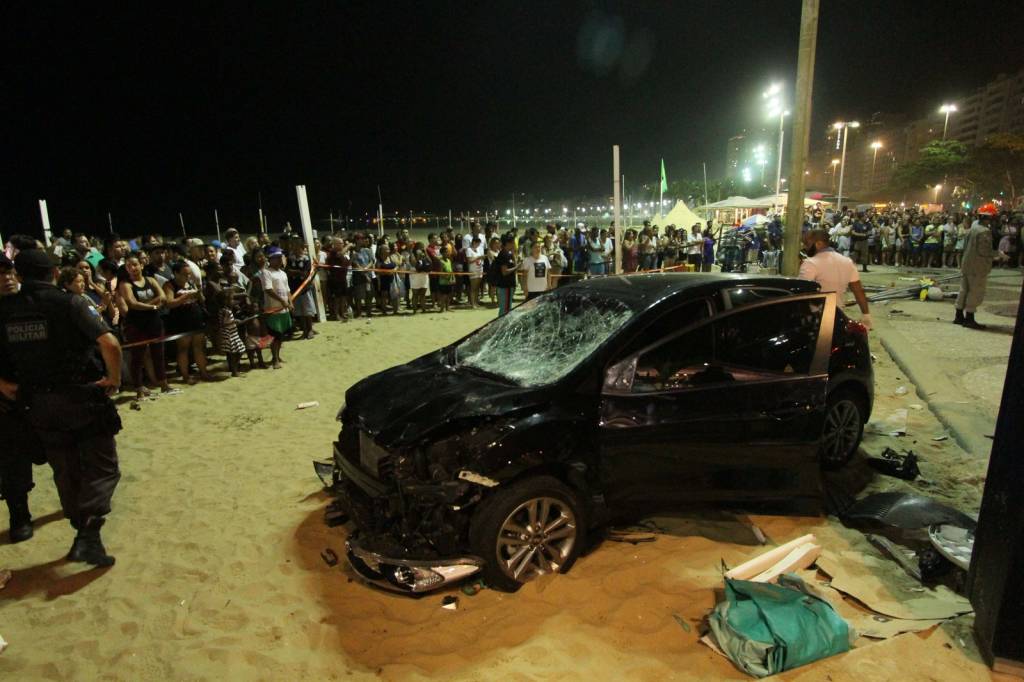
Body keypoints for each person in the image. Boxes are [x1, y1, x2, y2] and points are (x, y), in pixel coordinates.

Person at [0, 249, 123, 566]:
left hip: (37, 404)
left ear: (22, 275)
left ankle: (83, 533)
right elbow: (109, 343)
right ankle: (89, 534)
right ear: (54, 273)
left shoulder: (6, 310)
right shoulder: (70, 302)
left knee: (65, 469)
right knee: (102, 466)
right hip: (80, 397)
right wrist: (113, 378)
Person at [0, 253, 43, 543]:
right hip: (7, 398)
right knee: (13, 463)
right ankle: (20, 517)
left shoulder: (34, 303)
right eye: (0, 275)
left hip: (43, 391)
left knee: (58, 451)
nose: (7, 278)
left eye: (9, 272)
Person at [118, 254, 171, 400]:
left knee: (158, 354)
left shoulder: (151, 280)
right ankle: (139, 388)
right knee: (138, 357)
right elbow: (132, 303)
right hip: (136, 324)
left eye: (135, 264)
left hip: (153, 322)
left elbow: (163, 296)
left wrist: (149, 306)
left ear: (141, 265)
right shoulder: (125, 284)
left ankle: (164, 384)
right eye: (129, 266)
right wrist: (153, 305)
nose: (133, 268)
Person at [798, 229, 872, 330]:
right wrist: (866, 315)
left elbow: (802, 294)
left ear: (818, 244)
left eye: (807, 244)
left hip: (815, 319)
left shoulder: (810, 263)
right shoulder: (847, 262)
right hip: (838, 316)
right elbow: (858, 290)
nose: (805, 247)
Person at [954, 213, 1007, 329]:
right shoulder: (984, 231)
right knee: (975, 291)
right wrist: (998, 254)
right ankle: (969, 318)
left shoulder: (971, 229)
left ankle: (958, 316)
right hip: (977, 266)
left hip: (967, 263)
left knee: (963, 290)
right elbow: (984, 250)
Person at [163, 261, 211, 384]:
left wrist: (199, 293)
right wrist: (185, 297)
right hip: (180, 319)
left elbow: (202, 299)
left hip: (195, 316)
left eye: (189, 274)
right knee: (183, 348)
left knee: (199, 346)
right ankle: (185, 376)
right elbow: (169, 303)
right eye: (185, 274)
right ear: (176, 273)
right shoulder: (170, 285)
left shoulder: (190, 283)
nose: (188, 276)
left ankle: (204, 372)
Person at [260, 247, 293, 369]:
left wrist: (290, 302)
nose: (280, 260)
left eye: (280, 257)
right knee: (274, 335)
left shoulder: (283, 273)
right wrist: (282, 301)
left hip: (283, 309)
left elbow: (288, 289)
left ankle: (277, 356)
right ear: (271, 259)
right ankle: (274, 359)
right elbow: (268, 290)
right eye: (277, 258)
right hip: (272, 309)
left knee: (281, 335)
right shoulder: (266, 272)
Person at [493, 234, 518, 316]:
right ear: (508, 243)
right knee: (505, 309)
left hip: (508, 285)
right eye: (513, 242)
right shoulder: (503, 254)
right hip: (505, 285)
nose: (514, 244)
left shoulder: (509, 254)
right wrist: (517, 267)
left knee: (507, 307)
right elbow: (504, 271)